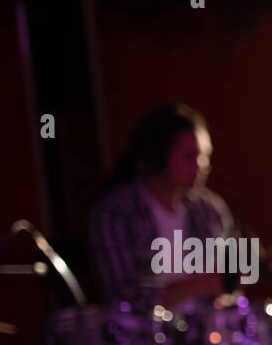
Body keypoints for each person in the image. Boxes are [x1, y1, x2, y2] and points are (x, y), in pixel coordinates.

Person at [89, 103, 233, 309]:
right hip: (144, 338)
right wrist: (198, 285)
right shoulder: (116, 213)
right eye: (189, 156)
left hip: (207, 333)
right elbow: (123, 299)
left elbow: (226, 286)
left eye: (205, 156)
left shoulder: (210, 209)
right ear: (158, 156)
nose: (201, 165)